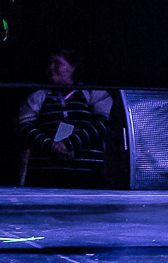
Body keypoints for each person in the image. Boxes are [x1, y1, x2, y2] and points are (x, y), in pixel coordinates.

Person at [17, 48, 113, 187]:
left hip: (88, 176)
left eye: (57, 63)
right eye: (50, 63)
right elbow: (24, 127)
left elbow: (104, 124)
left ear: (74, 67)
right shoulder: (38, 96)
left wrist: (69, 144)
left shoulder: (94, 93)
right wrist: (51, 146)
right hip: (45, 177)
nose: (51, 68)